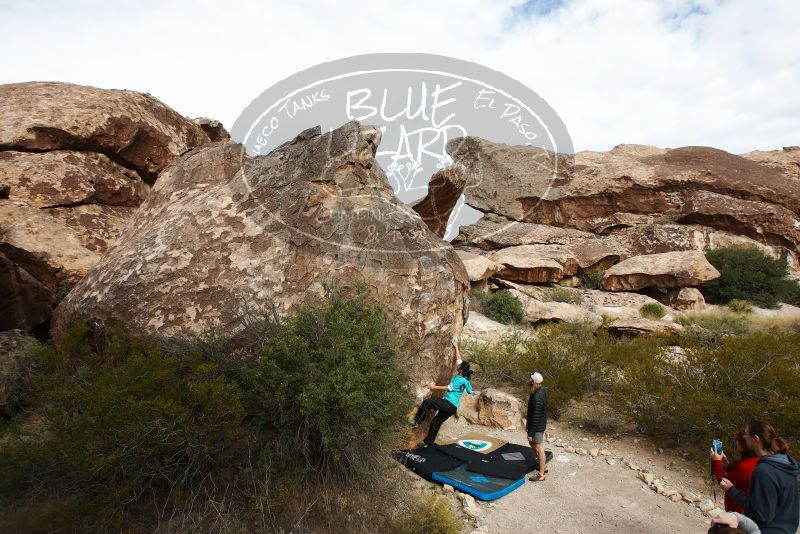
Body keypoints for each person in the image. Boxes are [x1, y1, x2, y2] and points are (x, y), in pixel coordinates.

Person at [720, 419, 800, 534]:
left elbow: (761, 513)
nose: (744, 437)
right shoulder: (785, 463)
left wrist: (732, 491)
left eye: (746, 434)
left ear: (755, 439)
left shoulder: (765, 470)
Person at [411, 339, 473, 444]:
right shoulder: (464, 376)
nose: (457, 366)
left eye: (459, 367)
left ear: (461, 370)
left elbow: (448, 388)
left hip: (449, 404)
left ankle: (416, 422)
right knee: (435, 423)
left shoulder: (460, 380)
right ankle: (428, 444)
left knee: (428, 402)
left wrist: (433, 387)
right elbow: (459, 359)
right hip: (453, 408)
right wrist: (456, 346)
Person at [711, 427, 760, 513]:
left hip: (737, 511)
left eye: (738, 440)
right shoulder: (757, 461)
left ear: (743, 443)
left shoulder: (744, 466)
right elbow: (739, 476)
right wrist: (726, 463)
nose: (736, 442)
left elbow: (723, 481)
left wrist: (716, 461)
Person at [526, 371, 548, 482]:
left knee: (539, 449)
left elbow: (536, 416)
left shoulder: (537, 396)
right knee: (532, 443)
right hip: (537, 425)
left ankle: (541, 474)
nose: (528, 380)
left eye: (529, 379)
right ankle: (543, 465)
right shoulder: (539, 391)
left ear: (533, 381)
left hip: (537, 427)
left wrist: (531, 433)